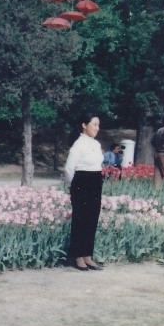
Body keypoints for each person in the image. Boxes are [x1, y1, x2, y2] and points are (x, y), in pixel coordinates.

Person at [64, 113, 104, 271]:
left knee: (92, 219)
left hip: (95, 180)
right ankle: (78, 256)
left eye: (98, 125)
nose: (97, 128)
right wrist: (73, 186)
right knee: (81, 220)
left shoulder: (96, 144)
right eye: (94, 124)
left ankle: (88, 255)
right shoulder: (78, 144)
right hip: (81, 182)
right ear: (84, 125)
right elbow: (69, 169)